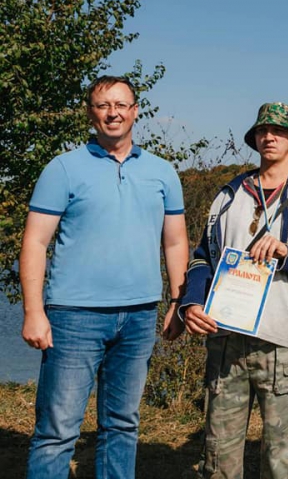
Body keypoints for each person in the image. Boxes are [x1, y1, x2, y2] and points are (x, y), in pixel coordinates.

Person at [20, 75, 188, 479]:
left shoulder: (162, 173)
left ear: (134, 112)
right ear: (91, 114)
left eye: (121, 105)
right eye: (102, 105)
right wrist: (33, 311)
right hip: (73, 316)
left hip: (139, 315)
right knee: (58, 430)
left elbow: (176, 244)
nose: (112, 113)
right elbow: (35, 243)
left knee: (123, 425)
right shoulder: (63, 169)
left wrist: (180, 303)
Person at [179, 102, 288, 478]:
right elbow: (203, 258)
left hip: (283, 341)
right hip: (226, 338)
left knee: (283, 458)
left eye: (279, 132)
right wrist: (191, 303)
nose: (269, 137)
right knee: (218, 454)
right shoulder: (227, 196)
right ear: (254, 139)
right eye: (263, 131)